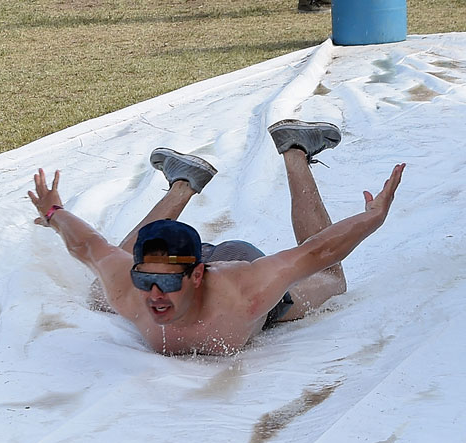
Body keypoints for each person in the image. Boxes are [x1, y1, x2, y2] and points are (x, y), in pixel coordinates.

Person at [28, 119, 405, 356]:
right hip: (180, 255)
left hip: (237, 258)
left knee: (331, 280)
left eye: (165, 284)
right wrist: (54, 213)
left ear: (197, 276)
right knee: (100, 291)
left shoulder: (246, 293)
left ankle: (294, 150)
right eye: (145, 280)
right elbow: (90, 245)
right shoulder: (132, 292)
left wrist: (372, 218)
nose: (154, 295)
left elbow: (318, 252)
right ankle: (184, 182)